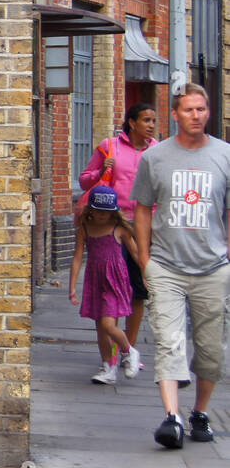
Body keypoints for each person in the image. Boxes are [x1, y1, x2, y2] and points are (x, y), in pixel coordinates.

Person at [131, 84, 230, 449]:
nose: (196, 116)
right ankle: (171, 418)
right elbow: (142, 207)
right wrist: (145, 258)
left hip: (212, 267)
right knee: (169, 342)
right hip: (167, 267)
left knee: (211, 349)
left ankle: (199, 412)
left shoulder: (225, 155)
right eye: (188, 110)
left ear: (207, 112)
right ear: (175, 115)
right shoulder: (155, 158)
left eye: (201, 109)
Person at [79, 102, 159, 364]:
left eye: (153, 121)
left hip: (143, 227)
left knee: (138, 289)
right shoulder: (110, 146)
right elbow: (84, 180)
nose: (151, 126)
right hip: (113, 226)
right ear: (132, 122)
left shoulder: (157, 151)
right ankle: (109, 354)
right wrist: (101, 171)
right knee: (109, 289)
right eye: (146, 120)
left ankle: (129, 350)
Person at [67, 185, 141, 384]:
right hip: (95, 281)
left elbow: (135, 253)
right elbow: (77, 258)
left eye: (106, 212)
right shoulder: (84, 229)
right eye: (98, 210)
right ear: (90, 209)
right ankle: (108, 367)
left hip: (115, 281)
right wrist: (72, 287)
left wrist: (147, 276)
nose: (101, 216)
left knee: (108, 325)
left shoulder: (120, 229)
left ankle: (129, 351)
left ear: (114, 211)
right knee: (101, 328)